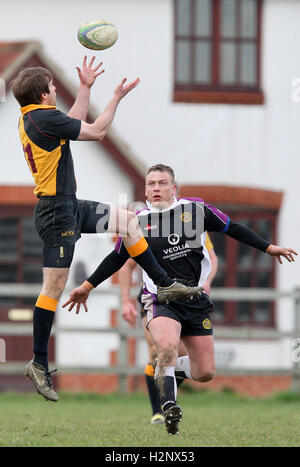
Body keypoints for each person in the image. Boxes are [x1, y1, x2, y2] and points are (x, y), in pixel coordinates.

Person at [11, 61, 202, 403]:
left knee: (128, 221)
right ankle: (39, 362)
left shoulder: (36, 117)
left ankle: (164, 285)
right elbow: (96, 131)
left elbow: (75, 122)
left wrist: (84, 87)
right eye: (53, 87)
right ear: (43, 94)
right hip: (57, 213)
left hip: (70, 205)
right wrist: (115, 97)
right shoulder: (43, 117)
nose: (56, 90)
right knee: (53, 286)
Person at [63, 163, 297, 435]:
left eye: (162, 183)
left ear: (173, 188)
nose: (156, 188)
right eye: (151, 184)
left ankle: (174, 373)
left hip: (195, 300)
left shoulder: (196, 210)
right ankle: (168, 408)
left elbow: (232, 228)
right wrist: (87, 286)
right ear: (146, 190)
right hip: (160, 299)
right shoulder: (135, 222)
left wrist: (268, 247)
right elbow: (118, 258)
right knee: (166, 349)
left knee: (205, 371)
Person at [119, 231, 218, 425]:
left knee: (180, 356)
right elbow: (126, 265)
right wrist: (125, 301)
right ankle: (159, 410)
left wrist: (207, 280)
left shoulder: (195, 222)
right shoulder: (148, 226)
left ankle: (167, 388)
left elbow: (212, 258)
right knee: (157, 350)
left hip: (189, 296)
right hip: (156, 297)